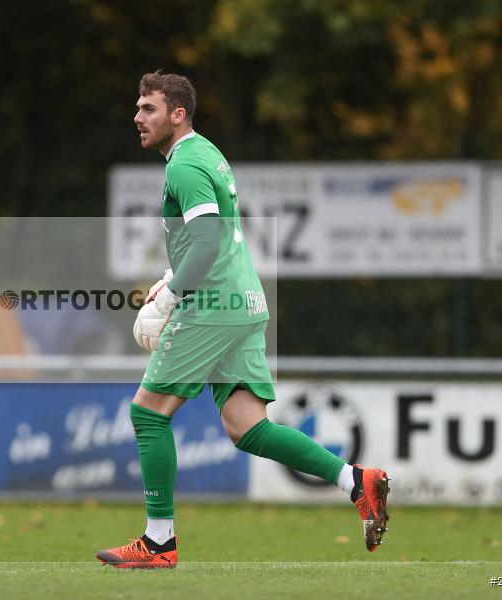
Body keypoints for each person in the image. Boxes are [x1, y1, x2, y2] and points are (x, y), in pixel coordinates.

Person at [96, 72, 390, 568]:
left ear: (178, 114)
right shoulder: (206, 152)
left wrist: (171, 300)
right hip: (244, 303)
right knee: (247, 428)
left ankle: (159, 542)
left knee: (148, 414)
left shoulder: (184, 166)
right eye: (138, 108)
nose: (137, 117)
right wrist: (171, 278)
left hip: (213, 308)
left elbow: (209, 242)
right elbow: (215, 239)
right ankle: (354, 480)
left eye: (148, 108)